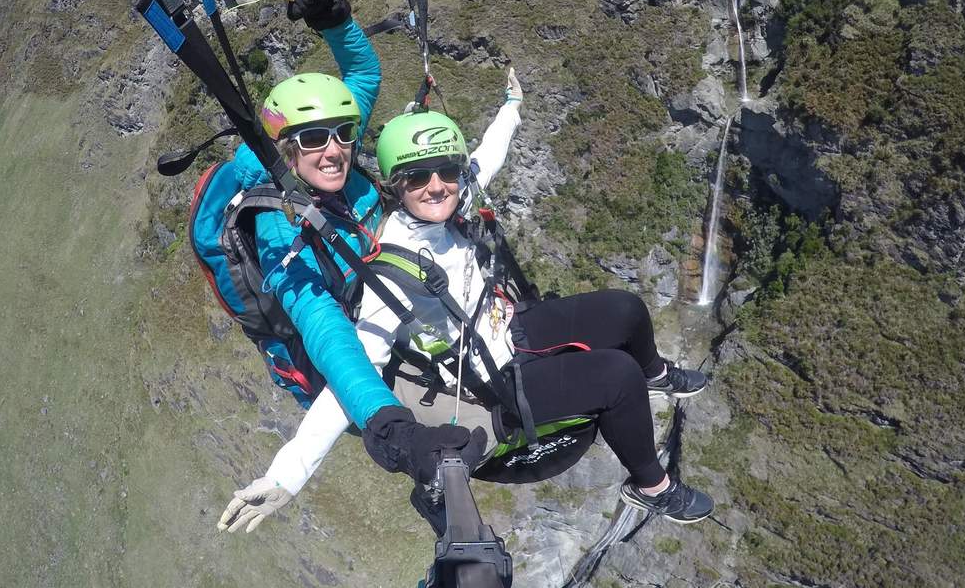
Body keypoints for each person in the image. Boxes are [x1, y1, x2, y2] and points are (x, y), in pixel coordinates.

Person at [220, 70, 714, 535]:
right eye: (418, 178)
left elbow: (487, 156)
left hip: (503, 330)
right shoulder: (393, 269)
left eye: (445, 172)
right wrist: (288, 473)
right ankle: (653, 488)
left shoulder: (453, 199)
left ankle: (657, 374)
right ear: (396, 186)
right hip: (491, 380)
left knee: (626, 310)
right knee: (617, 377)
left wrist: (512, 106)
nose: (436, 185)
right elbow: (352, 369)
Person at [230, 0, 484, 490]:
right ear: (286, 148)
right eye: (313, 139)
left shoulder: (332, 147)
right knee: (477, 434)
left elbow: (363, 75)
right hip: (366, 355)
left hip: (404, 292)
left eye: (343, 134)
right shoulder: (278, 228)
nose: (334, 150)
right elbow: (325, 330)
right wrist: (386, 423)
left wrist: (334, 20)